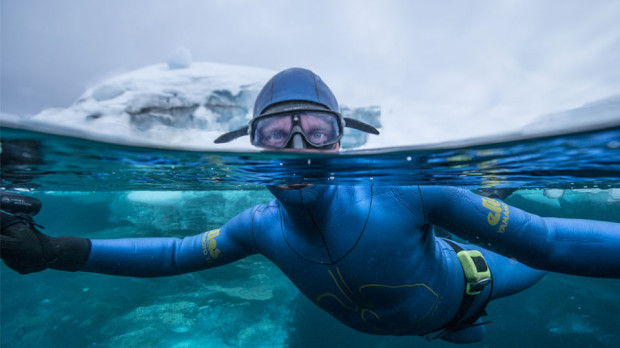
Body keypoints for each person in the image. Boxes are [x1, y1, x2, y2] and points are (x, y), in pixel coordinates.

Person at [1, 68, 619, 344]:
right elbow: (173, 253)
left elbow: (550, 244)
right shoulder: (260, 226)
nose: (299, 150)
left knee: (511, 268)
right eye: (276, 135)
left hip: (474, 285)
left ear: (342, 137)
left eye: (316, 132)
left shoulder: (406, 190)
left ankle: (488, 197)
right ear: (251, 145)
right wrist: (54, 251)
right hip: (438, 312)